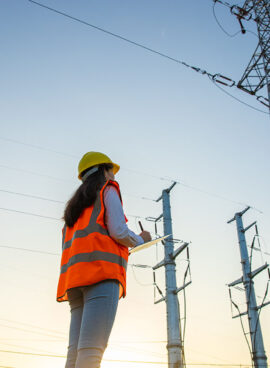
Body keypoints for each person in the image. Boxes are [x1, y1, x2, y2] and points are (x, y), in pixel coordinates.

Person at [56, 151, 151, 368]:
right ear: (103, 171)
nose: (114, 177)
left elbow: (90, 241)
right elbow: (118, 231)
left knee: (75, 352)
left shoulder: (73, 210)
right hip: (101, 277)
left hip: (75, 283)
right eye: (112, 171)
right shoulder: (107, 191)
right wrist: (141, 239)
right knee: (91, 351)